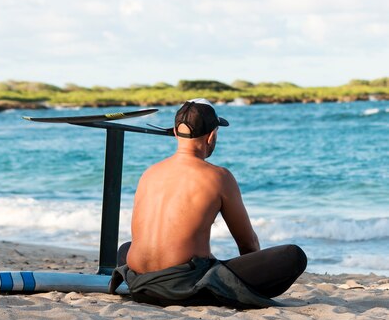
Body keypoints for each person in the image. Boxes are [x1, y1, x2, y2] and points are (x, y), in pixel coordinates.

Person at [111, 99, 307, 308]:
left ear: (177, 133)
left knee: (128, 247)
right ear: (212, 136)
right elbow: (248, 244)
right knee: (293, 256)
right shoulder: (218, 177)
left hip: (140, 285)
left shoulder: (149, 173)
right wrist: (242, 278)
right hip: (183, 289)